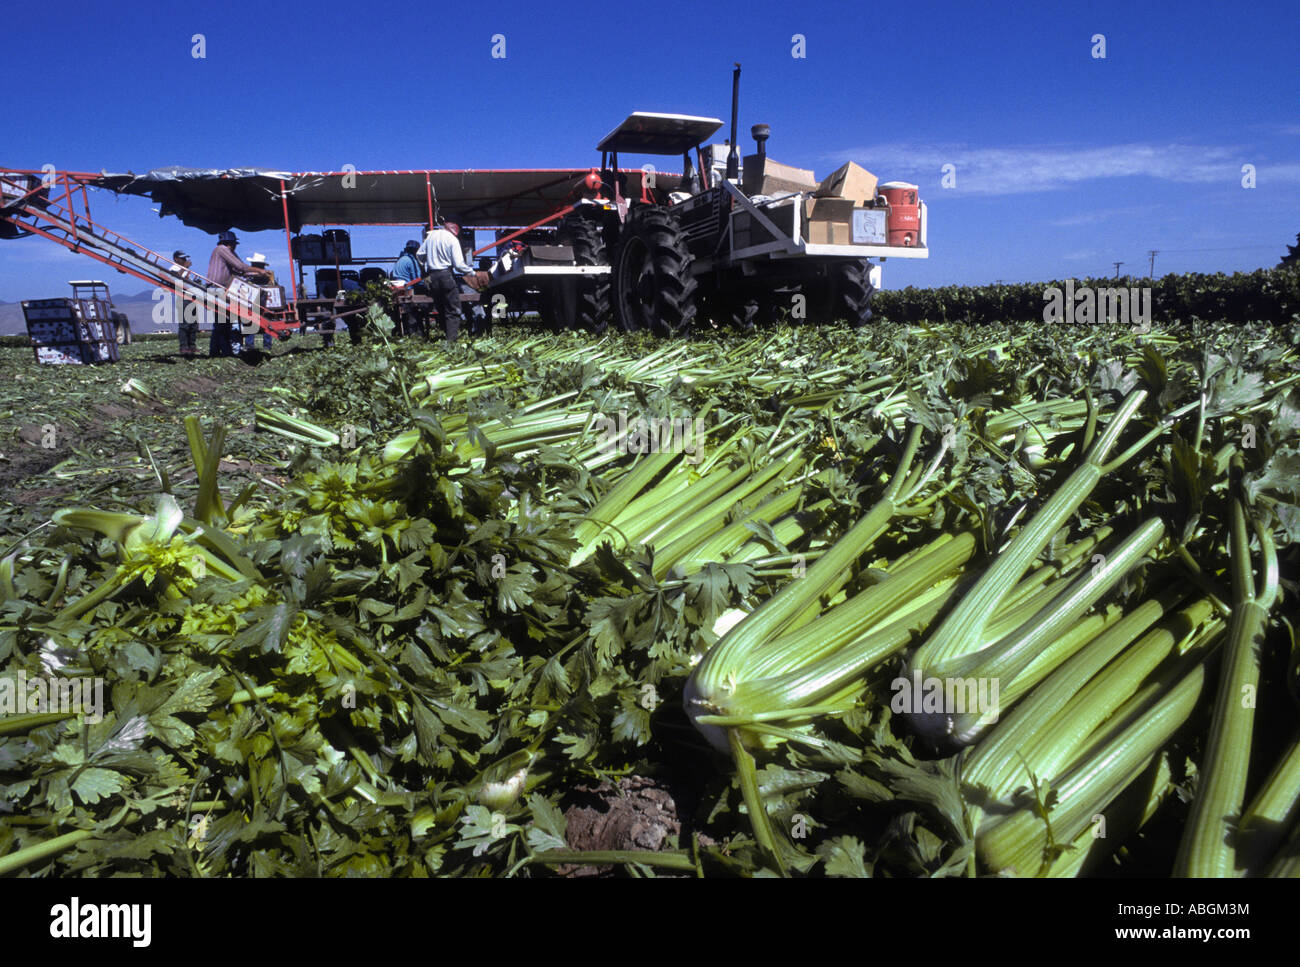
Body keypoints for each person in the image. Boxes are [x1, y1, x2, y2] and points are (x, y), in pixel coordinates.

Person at [206, 231, 267, 356]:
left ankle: (215, 351)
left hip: (219, 288)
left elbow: (238, 270)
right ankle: (225, 352)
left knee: (220, 323)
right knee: (222, 322)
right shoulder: (222, 249)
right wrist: (259, 271)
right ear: (231, 243)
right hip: (217, 288)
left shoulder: (223, 251)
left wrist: (251, 273)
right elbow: (240, 266)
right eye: (235, 244)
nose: (235, 247)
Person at [416, 220, 474, 341]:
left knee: (441, 308)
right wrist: (471, 272)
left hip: (432, 276)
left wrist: (424, 272)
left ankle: (444, 336)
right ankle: (451, 342)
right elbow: (458, 265)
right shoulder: (452, 239)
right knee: (453, 310)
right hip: (445, 275)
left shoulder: (431, 237)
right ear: (455, 229)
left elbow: (419, 255)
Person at [167, 250, 202, 357]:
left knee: (193, 324)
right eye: (182, 258)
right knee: (185, 324)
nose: (185, 260)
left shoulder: (185, 270)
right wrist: (185, 268)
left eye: (185, 258)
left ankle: (192, 346)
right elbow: (175, 279)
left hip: (191, 297)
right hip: (183, 297)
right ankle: (184, 347)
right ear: (176, 259)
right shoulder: (173, 268)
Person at [391, 240, 427, 337]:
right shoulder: (412, 261)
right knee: (416, 313)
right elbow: (417, 279)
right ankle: (418, 335)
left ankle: (406, 333)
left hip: (398, 291)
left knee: (406, 314)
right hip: (408, 291)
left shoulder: (400, 260)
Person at [242, 253, 275, 352]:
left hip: (254, 302)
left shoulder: (252, 276)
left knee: (250, 322)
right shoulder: (268, 275)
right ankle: (266, 346)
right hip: (265, 303)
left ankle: (250, 345)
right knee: (266, 322)